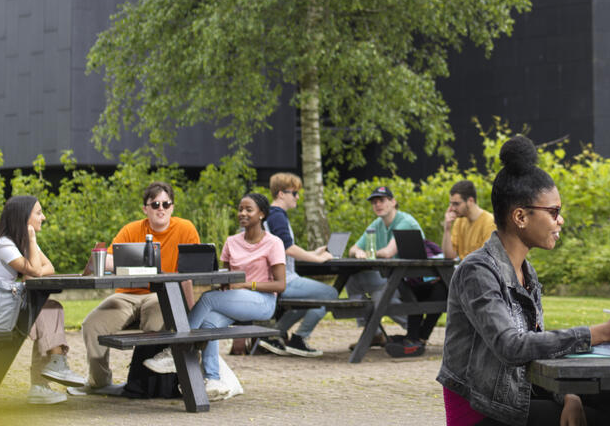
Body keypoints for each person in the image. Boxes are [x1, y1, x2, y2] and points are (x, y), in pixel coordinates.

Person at [438, 135, 610, 426]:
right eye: (554, 212)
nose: (560, 221)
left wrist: (569, 395)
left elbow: (534, 349)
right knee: (609, 419)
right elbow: (512, 347)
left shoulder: (526, 272)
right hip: (483, 410)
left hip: (517, 394)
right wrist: (603, 333)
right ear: (520, 216)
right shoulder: (477, 272)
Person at [145, 192, 286, 401]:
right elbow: (226, 277)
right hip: (233, 300)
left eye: (249, 209)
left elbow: (280, 284)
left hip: (262, 301)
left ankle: (175, 350)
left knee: (208, 299)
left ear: (262, 214)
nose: (243, 213)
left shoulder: (273, 243)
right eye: (240, 209)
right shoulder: (231, 242)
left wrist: (247, 284)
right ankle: (213, 380)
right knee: (209, 325)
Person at [76, 181, 200, 395]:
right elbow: (106, 260)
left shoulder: (185, 229)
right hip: (127, 295)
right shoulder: (132, 230)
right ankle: (99, 382)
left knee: (157, 317)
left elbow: (188, 276)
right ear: (145, 208)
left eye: (165, 204)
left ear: (172, 207)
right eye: (155, 205)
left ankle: (145, 383)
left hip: (159, 293)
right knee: (92, 324)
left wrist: (191, 313)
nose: (160, 208)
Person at [0, 196, 86, 404]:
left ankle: (45, 379)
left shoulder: (21, 243)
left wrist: (33, 264)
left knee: (48, 309)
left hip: (4, 307)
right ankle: (53, 367)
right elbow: (34, 269)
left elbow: (49, 268)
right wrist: (32, 242)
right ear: (24, 217)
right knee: (44, 310)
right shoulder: (4, 243)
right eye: (38, 212)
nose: (43, 217)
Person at [256, 172, 338, 358]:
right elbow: (287, 248)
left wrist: (311, 253)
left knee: (313, 302)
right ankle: (300, 338)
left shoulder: (271, 215)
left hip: (277, 278)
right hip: (285, 280)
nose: (297, 197)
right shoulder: (277, 216)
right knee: (330, 294)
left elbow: (284, 248)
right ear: (281, 194)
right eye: (294, 193)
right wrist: (316, 259)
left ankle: (273, 336)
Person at [344, 185, 423, 349]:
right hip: (388, 277)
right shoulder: (377, 224)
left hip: (410, 279)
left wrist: (367, 253)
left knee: (381, 296)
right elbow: (353, 249)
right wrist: (359, 252)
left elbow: (388, 252)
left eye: (381, 200)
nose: (377, 205)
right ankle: (374, 334)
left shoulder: (405, 222)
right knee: (353, 279)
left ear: (393, 202)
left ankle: (416, 332)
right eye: (374, 202)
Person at [442, 180, 496, 261]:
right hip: (463, 270)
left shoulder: (489, 222)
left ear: (470, 201)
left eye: (456, 204)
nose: (452, 208)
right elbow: (449, 257)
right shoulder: (459, 221)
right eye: (451, 204)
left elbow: (488, 260)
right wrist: (447, 229)